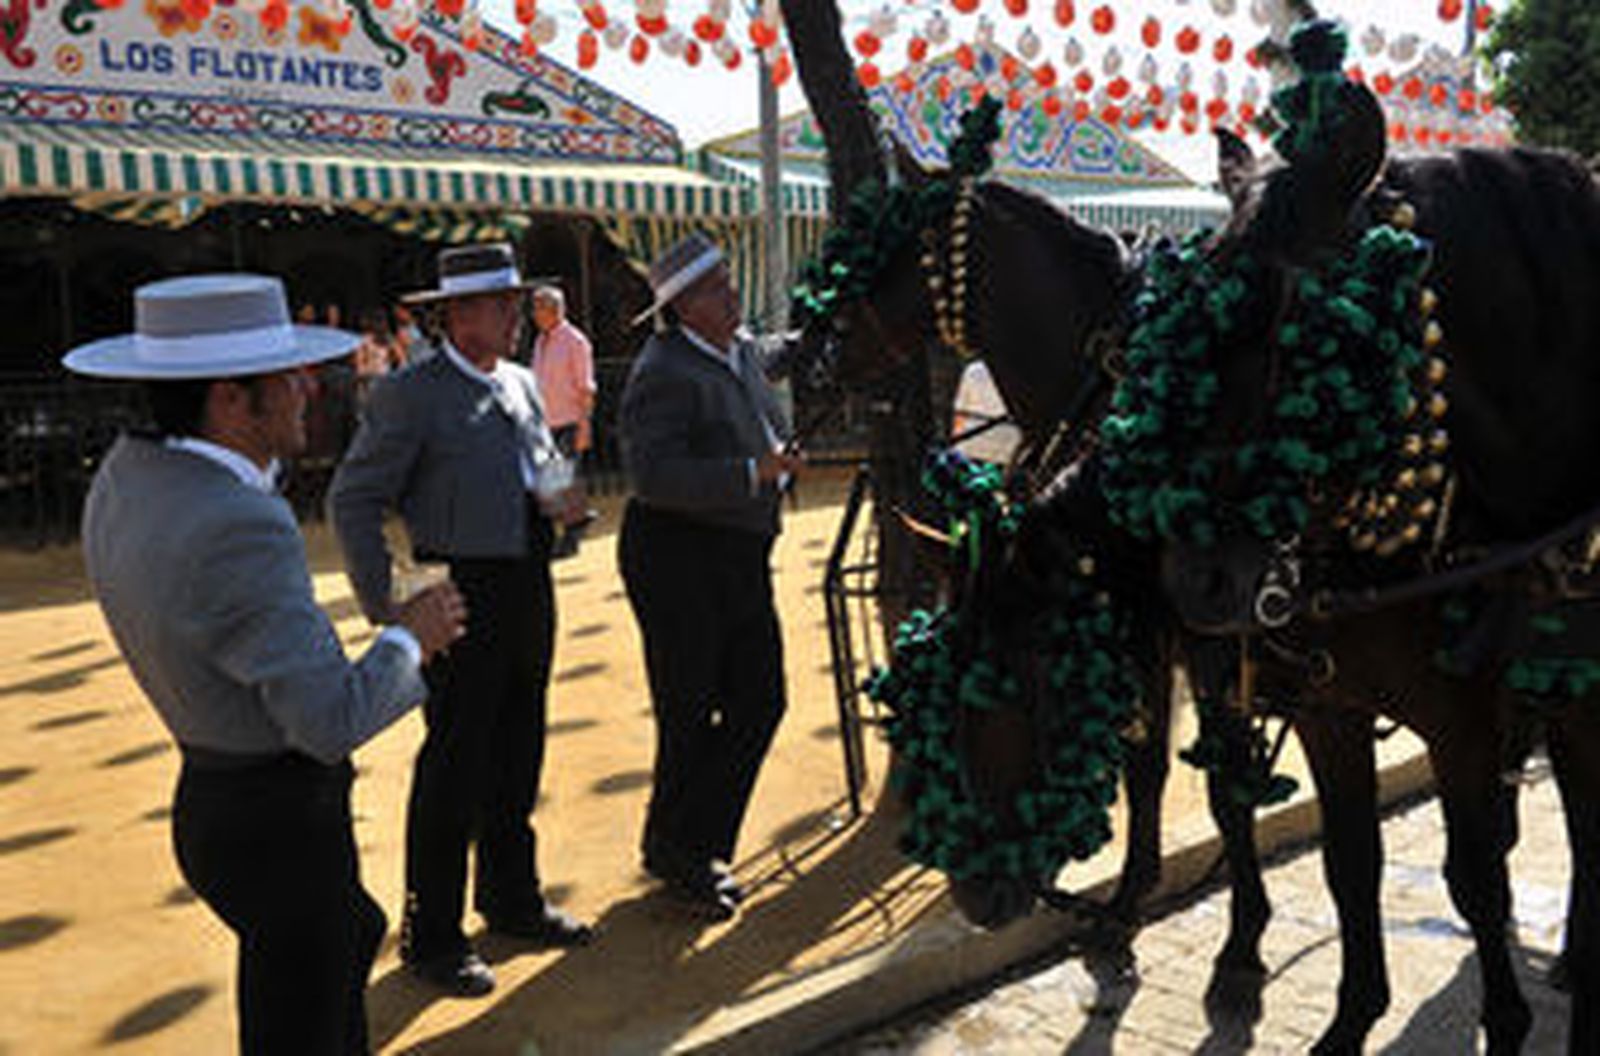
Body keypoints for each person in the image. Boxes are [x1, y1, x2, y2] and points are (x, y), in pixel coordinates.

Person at [67, 274, 467, 1054]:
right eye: (289, 377)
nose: (309, 390)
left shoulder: (131, 471)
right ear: (229, 400)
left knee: (307, 980)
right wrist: (410, 639)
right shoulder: (235, 522)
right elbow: (329, 721)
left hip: (219, 797)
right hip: (279, 819)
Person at [328, 243, 594, 998]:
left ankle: (511, 897)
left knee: (519, 744)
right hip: (457, 589)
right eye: (504, 305)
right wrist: (389, 603)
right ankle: (432, 933)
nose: (518, 316)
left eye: (516, 302)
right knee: (455, 760)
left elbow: (542, 459)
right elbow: (352, 498)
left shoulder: (519, 380)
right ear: (459, 314)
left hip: (528, 578)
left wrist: (565, 498)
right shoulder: (410, 393)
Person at [617, 233, 803, 920]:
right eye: (717, 286)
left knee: (760, 698)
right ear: (684, 305)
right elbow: (652, 476)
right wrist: (754, 471)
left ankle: (680, 841)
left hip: (736, 549)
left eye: (728, 280)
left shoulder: (739, 347)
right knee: (689, 707)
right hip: (678, 555)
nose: (732, 293)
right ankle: (683, 851)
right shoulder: (662, 370)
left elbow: (778, 351)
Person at [530, 284, 598, 558]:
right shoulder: (540, 341)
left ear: (554, 310)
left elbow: (586, 387)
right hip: (546, 421)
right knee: (555, 480)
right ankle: (578, 520)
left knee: (559, 479)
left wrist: (584, 425)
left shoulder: (575, 341)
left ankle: (572, 533)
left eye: (538, 308)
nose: (534, 314)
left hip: (569, 420)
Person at [951, 358, 1022, 466]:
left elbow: (960, 413)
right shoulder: (1022, 371)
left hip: (972, 444)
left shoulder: (973, 370)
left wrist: (956, 445)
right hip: (1008, 449)